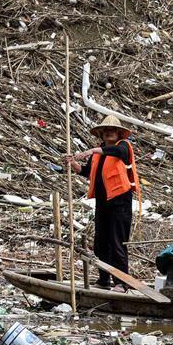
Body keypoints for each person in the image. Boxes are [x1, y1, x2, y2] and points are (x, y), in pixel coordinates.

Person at [65, 115, 139, 292]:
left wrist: (91, 151)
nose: (109, 133)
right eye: (105, 131)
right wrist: (74, 164)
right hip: (103, 202)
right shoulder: (100, 151)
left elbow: (119, 154)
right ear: (101, 134)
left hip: (120, 202)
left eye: (112, 130)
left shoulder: (123, 147)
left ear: (118, 133)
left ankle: (121, 282)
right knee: (101, 243)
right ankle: (103, 279)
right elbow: (87, 172)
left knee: (117, 242)